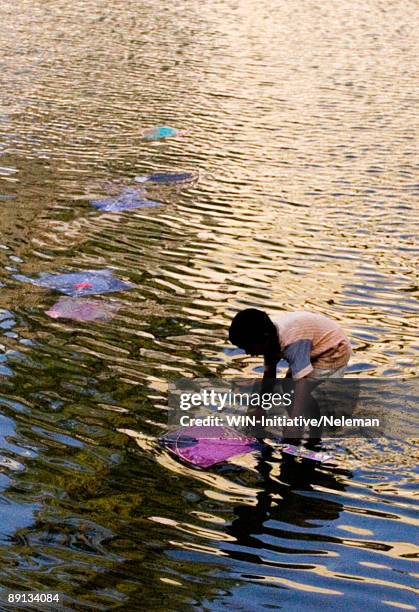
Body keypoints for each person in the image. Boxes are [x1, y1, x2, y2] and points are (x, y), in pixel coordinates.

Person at [228, 308, 352, 441]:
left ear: (264, 338)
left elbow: (302, 384)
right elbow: (269, 377)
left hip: (333, 349)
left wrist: (293, 422)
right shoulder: (270, 340)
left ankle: (314, 435)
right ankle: (301, 427)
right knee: (289, 389)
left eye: (249, 347)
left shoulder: (292, 342)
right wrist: (260, 409)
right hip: (312, 344)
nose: (247, 353)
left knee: (300, 392)